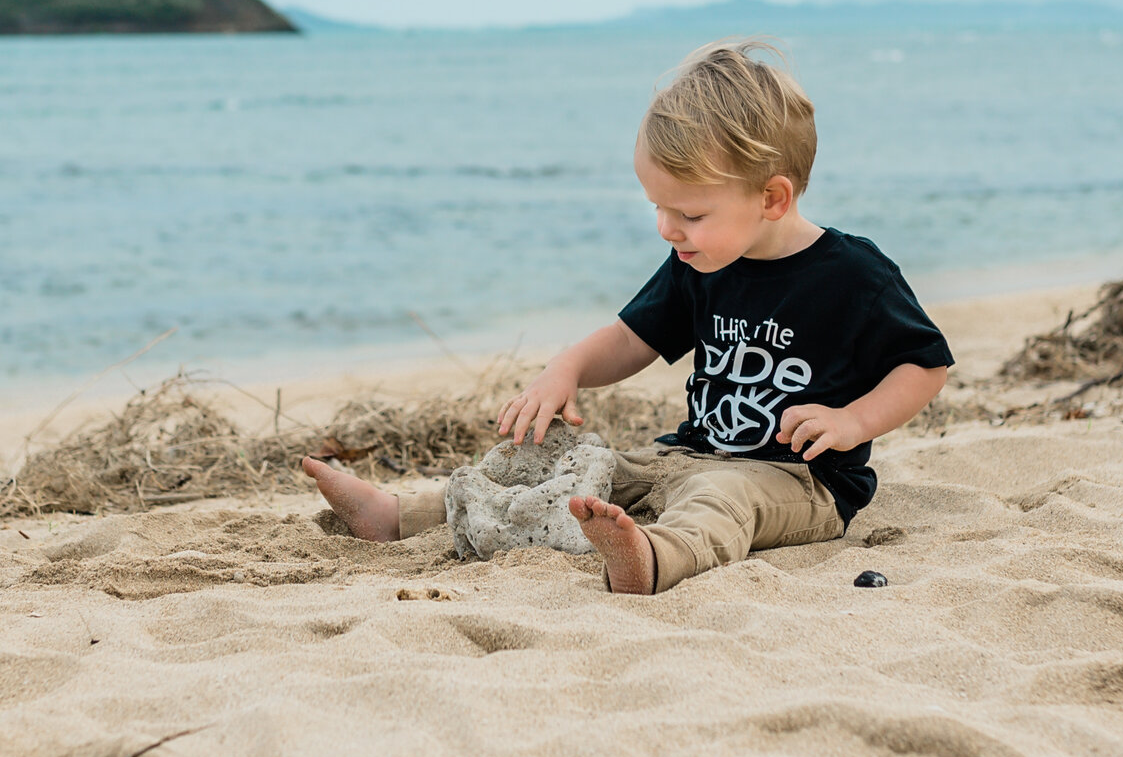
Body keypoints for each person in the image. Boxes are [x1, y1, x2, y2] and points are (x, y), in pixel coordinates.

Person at [301, 38, 954, 594]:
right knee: (563, 462)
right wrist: (568, 369)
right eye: (658, 208)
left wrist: (852, 420)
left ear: (773, 197)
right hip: (687, 454)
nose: (669, 228)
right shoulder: (699, 261)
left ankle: (651, 559)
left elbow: (924, 364)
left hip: (799, 479)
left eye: (689, 212)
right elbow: (628, 339)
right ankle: (399, 516)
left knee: (723, 502)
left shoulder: (853, 275)